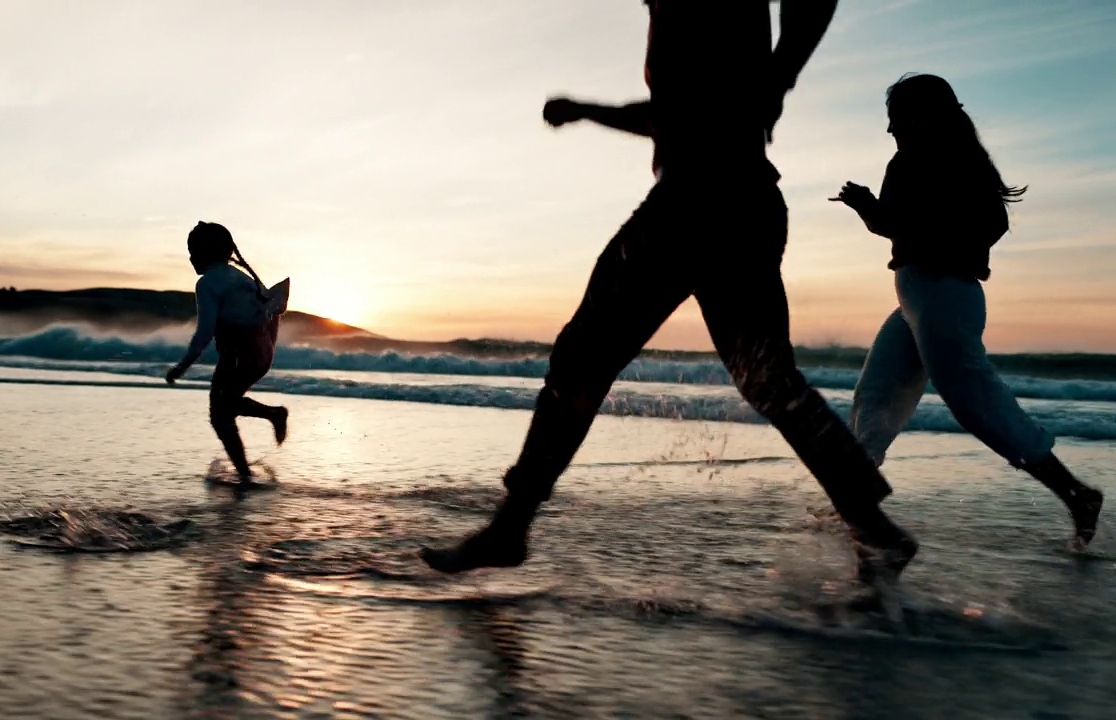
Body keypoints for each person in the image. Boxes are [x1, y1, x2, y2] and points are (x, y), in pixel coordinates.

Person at [421, 0, 920, 581]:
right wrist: (589, 110)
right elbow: (675, 116)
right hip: (743, 202)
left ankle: (511, 527)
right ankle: (876, 531)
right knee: (771, 382)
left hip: (694, 205)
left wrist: (778, 77)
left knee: (582, 357)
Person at [832, 73, 1103, 549]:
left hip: (940, 299)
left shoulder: (916, 162)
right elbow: (988, 225)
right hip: (924, 300)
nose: (891, 132)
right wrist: (939, 238)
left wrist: (865, 206)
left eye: (894, 121)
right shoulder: (963, 160)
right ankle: (855, 505)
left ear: (917, 117)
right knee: (875, 395)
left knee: (976, 402)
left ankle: (1076, 494)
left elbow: (891, 226)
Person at [166, 221, 289, 482]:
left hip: (239, 352)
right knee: (226, 407)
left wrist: (182, 366)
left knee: (220, 414)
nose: (190, 257)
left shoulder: (209, 283)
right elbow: (268, 316)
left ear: (205, 253)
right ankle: (247, 467)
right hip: (261, 351)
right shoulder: (242, 277)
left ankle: (246, 473)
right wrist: (265, 351)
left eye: (193, 251)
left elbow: (204, 332)